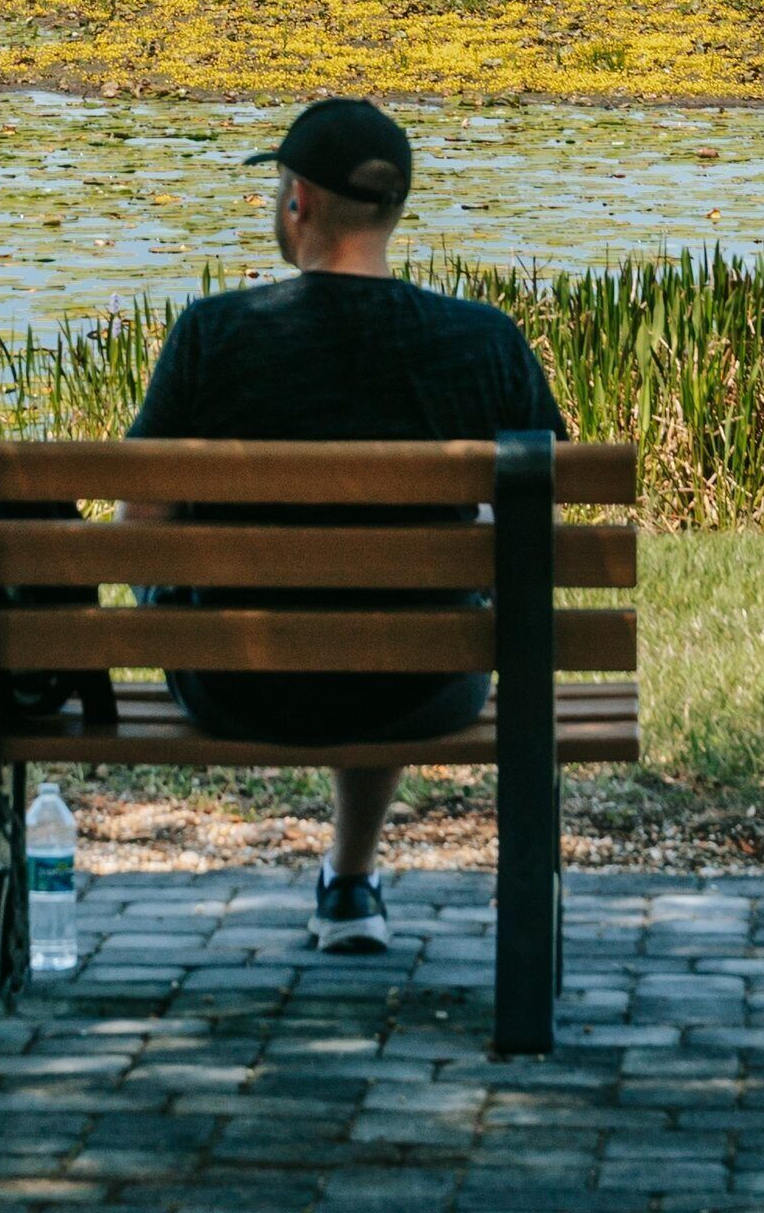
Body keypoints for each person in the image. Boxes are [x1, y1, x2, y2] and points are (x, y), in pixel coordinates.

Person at [123, 96, 568, 954]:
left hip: (236, 683)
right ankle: (352, 881)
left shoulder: (214, 335)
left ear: (297, 202)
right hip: (425, 686)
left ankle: (352, 882)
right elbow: (535, 526)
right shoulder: (484, 341)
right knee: (407, 618)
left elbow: (138, 527)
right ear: (393, 211)